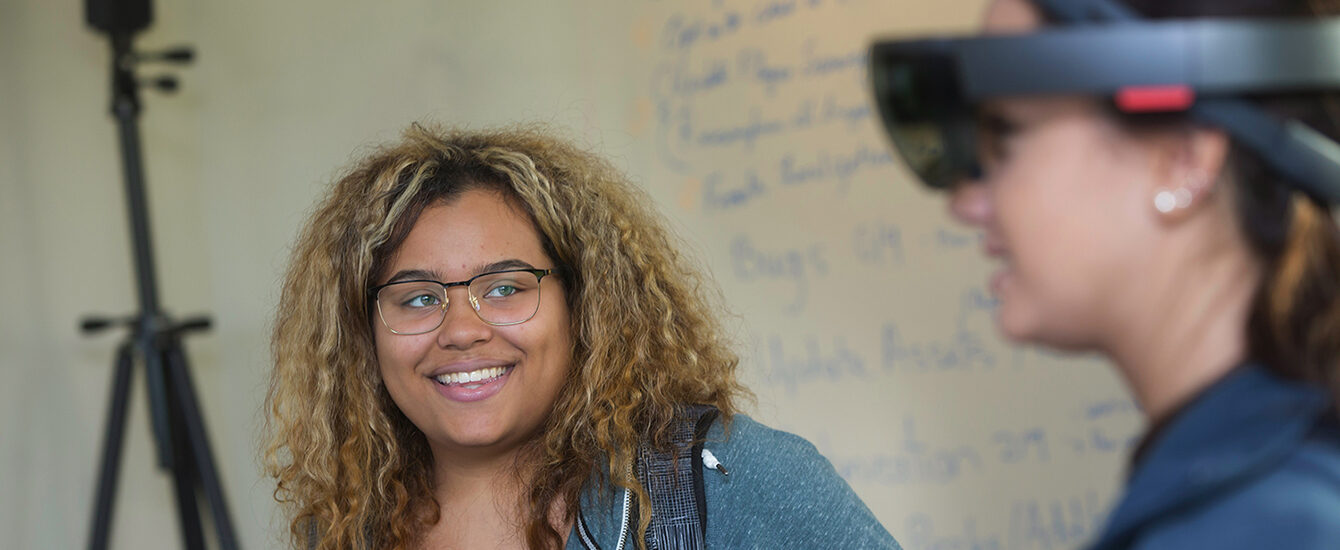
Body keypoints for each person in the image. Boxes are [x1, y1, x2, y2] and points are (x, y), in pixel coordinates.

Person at [263, 123, 900, 550]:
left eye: (506, 287)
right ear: (363, 335)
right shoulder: (345, 526)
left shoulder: (733, 479)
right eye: (419, 298)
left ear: (584, 303)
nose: (461, 330)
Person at [870, 0, 1340, 548]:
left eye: (1006, 135)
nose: (967, 205)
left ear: (1180, 158)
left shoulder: (1258, 525)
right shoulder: (1271, 488)